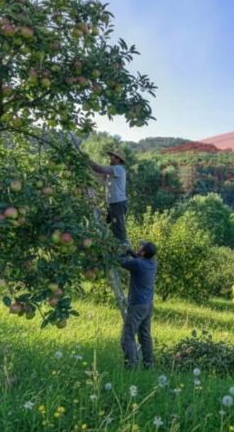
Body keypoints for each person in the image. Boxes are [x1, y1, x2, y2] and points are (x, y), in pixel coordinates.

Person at [119, 241, 158, 369]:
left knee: (128, 337)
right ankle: (148, 363)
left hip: (137, 306)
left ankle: (131, 365)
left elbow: (122, 261)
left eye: (141, 247)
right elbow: (140, 260)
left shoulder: (138, 263)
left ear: (143, 253)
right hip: (148, 305)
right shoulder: (153, 263)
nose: (139, 246)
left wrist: (123, 250)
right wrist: (133, 252)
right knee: (145, 335)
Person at [88, 149, 129, 246]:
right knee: (112, 225)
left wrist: (90, 162)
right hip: (114, 204)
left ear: (118, 160)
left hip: (117, 204)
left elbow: (100, 169)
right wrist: (90, 169)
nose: (109, 157)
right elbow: (101, 176)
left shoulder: (118, 169)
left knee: (118, 228)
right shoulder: (113, 171)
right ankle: (115, 246)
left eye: (112, 156)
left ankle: (122, 249)